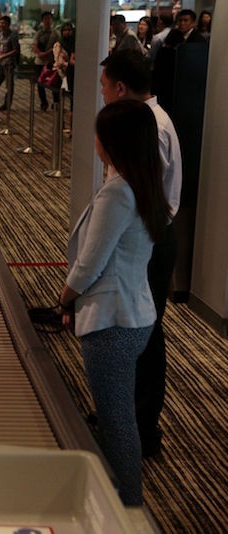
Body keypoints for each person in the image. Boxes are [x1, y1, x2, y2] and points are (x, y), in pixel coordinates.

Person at [60, 100, 170, 505]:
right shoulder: (145, 183)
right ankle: (117, 497)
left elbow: (90, 264)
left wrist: (65, 299)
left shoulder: (118, 194)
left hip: (113, 322)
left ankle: (127, 507)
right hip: (135, 315)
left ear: (112, 142)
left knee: (117, 421)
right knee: (117, 415)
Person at [100, 50, 182, 458]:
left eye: (103, 86)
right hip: (146, 234)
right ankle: (126, 414)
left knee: (145, 332)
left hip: (151, 237)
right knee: (137, 327)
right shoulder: (147, 119)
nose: (102, 95)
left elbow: (144, 193)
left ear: (120, 87)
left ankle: (143, 428)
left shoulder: (152, 126)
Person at [33, 11, 60, 111]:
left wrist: (48, 53)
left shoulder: (56, 33)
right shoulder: (39, 33)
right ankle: (43, 103)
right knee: (40, 83)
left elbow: (58, 46)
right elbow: (34, 45)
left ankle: (56, 103)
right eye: (45, 19)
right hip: (39, 62)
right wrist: (40, 54)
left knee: (55, 83)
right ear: (42, 20)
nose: (47, 21)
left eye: (49, 18)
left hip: (52, 62)